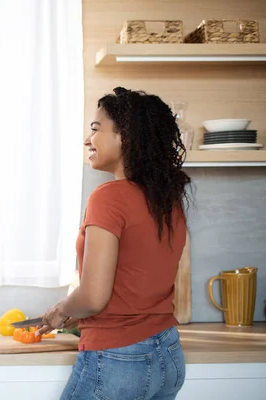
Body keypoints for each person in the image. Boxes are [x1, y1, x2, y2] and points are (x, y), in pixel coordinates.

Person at [37, 87, 191, 399]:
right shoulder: (167, 200)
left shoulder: (108, 197)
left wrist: (60, 309)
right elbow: (135, 284)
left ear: (126, 136)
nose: (86, 140)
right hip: (169, 354)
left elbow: (94, 297)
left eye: (95, 129)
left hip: (119, 358)